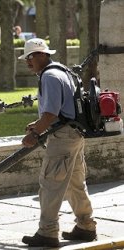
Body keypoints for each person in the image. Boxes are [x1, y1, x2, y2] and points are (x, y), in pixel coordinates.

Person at [18, 38, 97, 248]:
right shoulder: (62, 71)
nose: (28, 62)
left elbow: (52, 113)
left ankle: (48, 232)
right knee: (75, 184)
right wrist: (38, 123)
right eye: (27, 58)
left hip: (62, 138)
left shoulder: (50, 76)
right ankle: (86, 226)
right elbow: (62, 109)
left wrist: (34, 134)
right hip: (74, 134)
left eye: (31, 57)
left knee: (50, 185)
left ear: (43, 55)